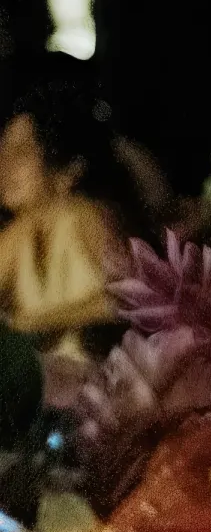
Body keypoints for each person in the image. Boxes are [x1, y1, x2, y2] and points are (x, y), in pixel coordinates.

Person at [0, 81, 140, 356]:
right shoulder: (18, 233)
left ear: (61, 160)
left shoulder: (84, 215)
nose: (5, 164)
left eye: (21, 151)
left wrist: (33, 323)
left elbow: (131, 297)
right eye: (2, 150)